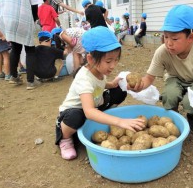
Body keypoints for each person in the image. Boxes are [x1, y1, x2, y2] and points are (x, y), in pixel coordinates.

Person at [129, 5, 193, 134]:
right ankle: (173, 116)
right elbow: (149, 77)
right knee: (169, 95)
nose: (169, 43)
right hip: (175, 79)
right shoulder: (162, 52)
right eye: (166, 37)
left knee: (190, 102)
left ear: (190, 37)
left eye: (174, 38)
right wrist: (140, 85)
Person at [55, 26, 145, 160]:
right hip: (75, 112)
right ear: (91, 59)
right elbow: (89, 112)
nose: (113, 65)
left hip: (94, 104)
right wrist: (119, 122)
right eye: (109, 61)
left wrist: (112, 84)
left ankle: (103, 117)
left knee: (119, 91)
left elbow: (99, 85)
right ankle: (65, 139)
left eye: (116, 60)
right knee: (76, 116)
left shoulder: (99, 71)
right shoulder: (83, 78)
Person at [0, 0, 42, 90]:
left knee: (15, 48)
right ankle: (31, 81)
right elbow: (34, 4)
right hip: (22, 16)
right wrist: (32, 21)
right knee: (30, 49)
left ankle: (14, 76)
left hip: (5, 18)